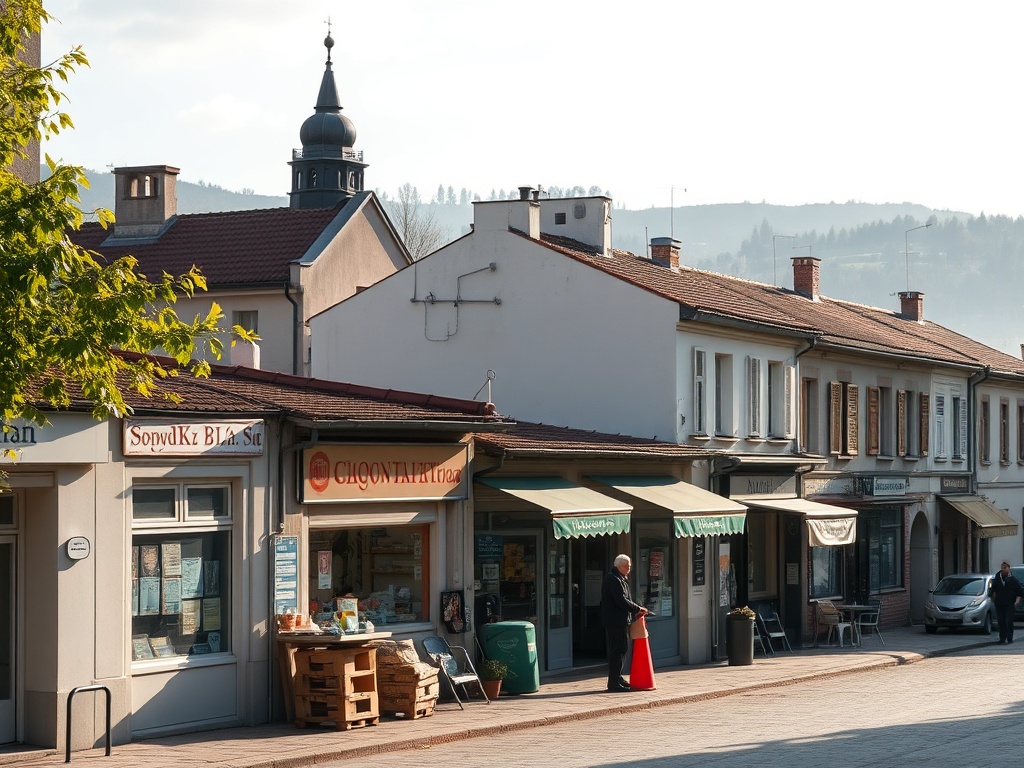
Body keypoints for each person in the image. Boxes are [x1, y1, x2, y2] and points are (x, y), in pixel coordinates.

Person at [600, 553, 648, 692]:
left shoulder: (620, 578)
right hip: (614, 621)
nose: (629, 569)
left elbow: (625, 599)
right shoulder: (613, 579)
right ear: (620, 566)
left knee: (622, 649)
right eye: (628, 566)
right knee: (617, 650)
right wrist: (637, 608)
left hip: (620, 620)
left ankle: (618, 677)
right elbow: (621, 600)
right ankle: (613, 682)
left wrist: (635, 609)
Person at [989, 561, 1023, 644]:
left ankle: (1009, 638)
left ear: (1009, 568)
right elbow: (992, 590)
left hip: (1009, 603)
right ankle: (1002, 638)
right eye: (1003, 568)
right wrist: (992, 598)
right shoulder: (998, 578)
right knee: (1001, 621)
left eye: (1006, 568)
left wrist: (1016, 601)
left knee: (1009, 621)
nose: (1004, 570)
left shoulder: (1013, 579)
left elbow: (1019, 591)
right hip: (999, 603)